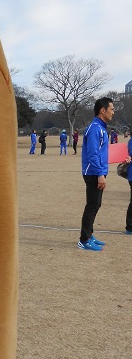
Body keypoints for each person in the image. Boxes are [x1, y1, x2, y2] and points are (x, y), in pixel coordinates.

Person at [78, 97, 114, 251]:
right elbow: (92, 154)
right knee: (92, 205)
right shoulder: (94, 128)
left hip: (99, 171)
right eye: (111, 109)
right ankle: (84, 240)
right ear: (103, 110)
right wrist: (100, 174)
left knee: (96, 204)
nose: (113, 112)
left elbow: (101, 152)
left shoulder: (101, 128)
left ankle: (89, 234)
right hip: (93, 172)